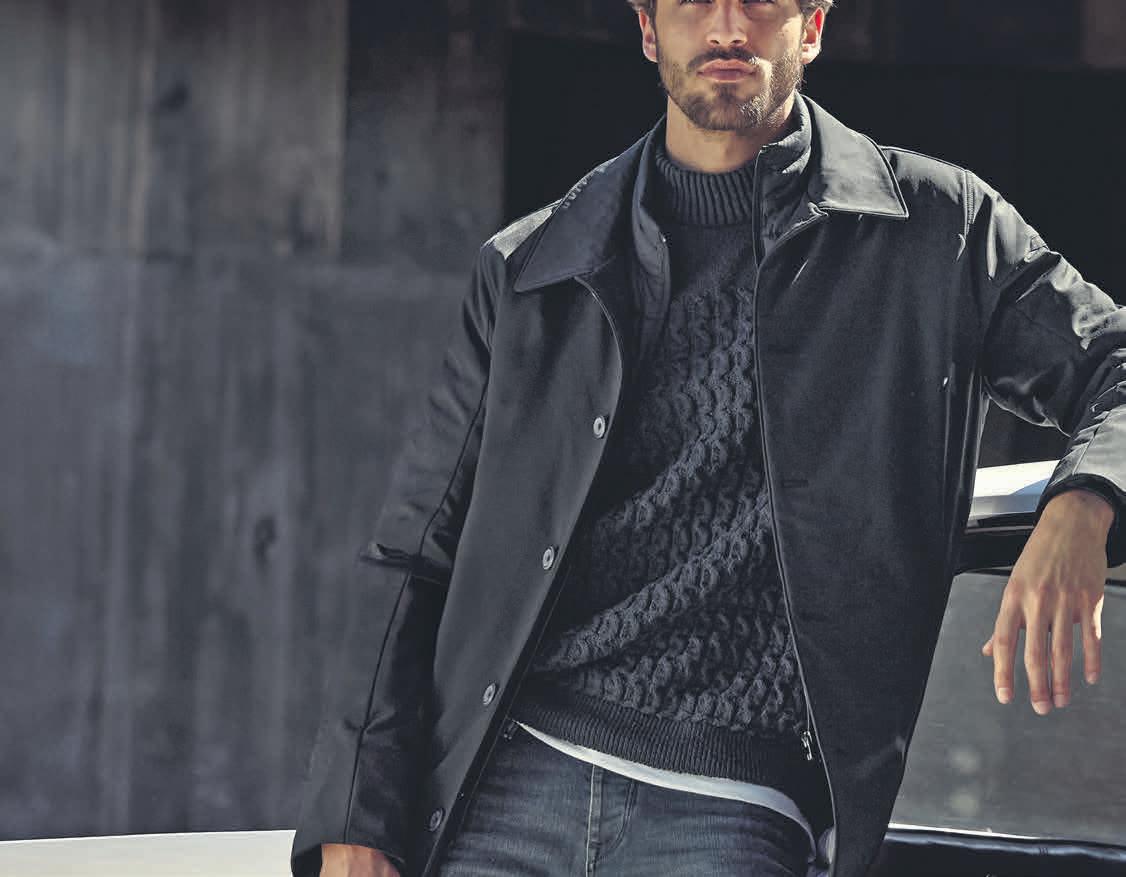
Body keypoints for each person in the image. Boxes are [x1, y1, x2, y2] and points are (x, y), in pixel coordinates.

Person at [291, 2, 1126, 876]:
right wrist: (358, 814)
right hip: (509, 776)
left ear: (812, 26)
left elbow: (1113, 358)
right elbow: (413, 555)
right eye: (694, 1)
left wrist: (1083, 502)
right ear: (650, 30)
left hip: (735, 802)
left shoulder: (936, 230)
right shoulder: (533, 265)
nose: (728, 23)